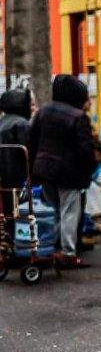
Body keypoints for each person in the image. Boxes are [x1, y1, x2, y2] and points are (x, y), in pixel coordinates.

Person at [29, 75, 97, 269]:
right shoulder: (78, 116)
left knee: (54, 211)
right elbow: (85, 150)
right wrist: (88, 171)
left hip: (44, 171)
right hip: (68, 173)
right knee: (69, 212)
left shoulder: (42, 112)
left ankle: (50, 250)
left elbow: (32, 141)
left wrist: (33, 169)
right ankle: (67, 253)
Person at [0, 88, 33, 253]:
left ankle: (7, 244)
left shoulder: (2, 122)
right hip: (16, 174)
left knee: (6, 212)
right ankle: (21, 246)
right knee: (20, 212)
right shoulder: (21, 123)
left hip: (4, 175)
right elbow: (28, 150)